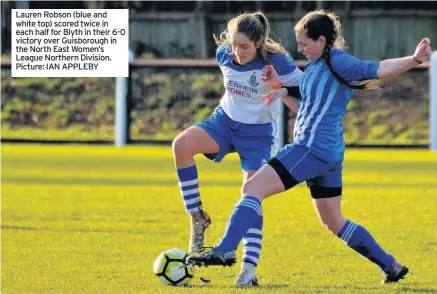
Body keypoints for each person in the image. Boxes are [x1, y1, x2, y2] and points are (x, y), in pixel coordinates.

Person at [187, 9, 432, 285]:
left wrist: (413, 60)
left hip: (310, 148)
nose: (299, 48)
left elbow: (376, 68)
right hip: (328, 155)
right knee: (334, 221)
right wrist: (279, 88)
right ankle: (391, 265)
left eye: (304, 43)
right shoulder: (314, 67)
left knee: (252, 188)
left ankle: (225, 250)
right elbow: (306, 108)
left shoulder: (337, 60)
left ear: (322, 40)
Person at [172, 11, 302, 287]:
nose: (237, 52)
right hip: (224, 123)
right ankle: (197, 217)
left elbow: (305, 91)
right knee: (181, 145)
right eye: (233, 45)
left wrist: (280, 87)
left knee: (250, 193)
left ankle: (248, 269)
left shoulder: (277, 62)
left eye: (244, 46)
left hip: (257, 136)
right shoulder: (224, 55)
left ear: (258, 42)